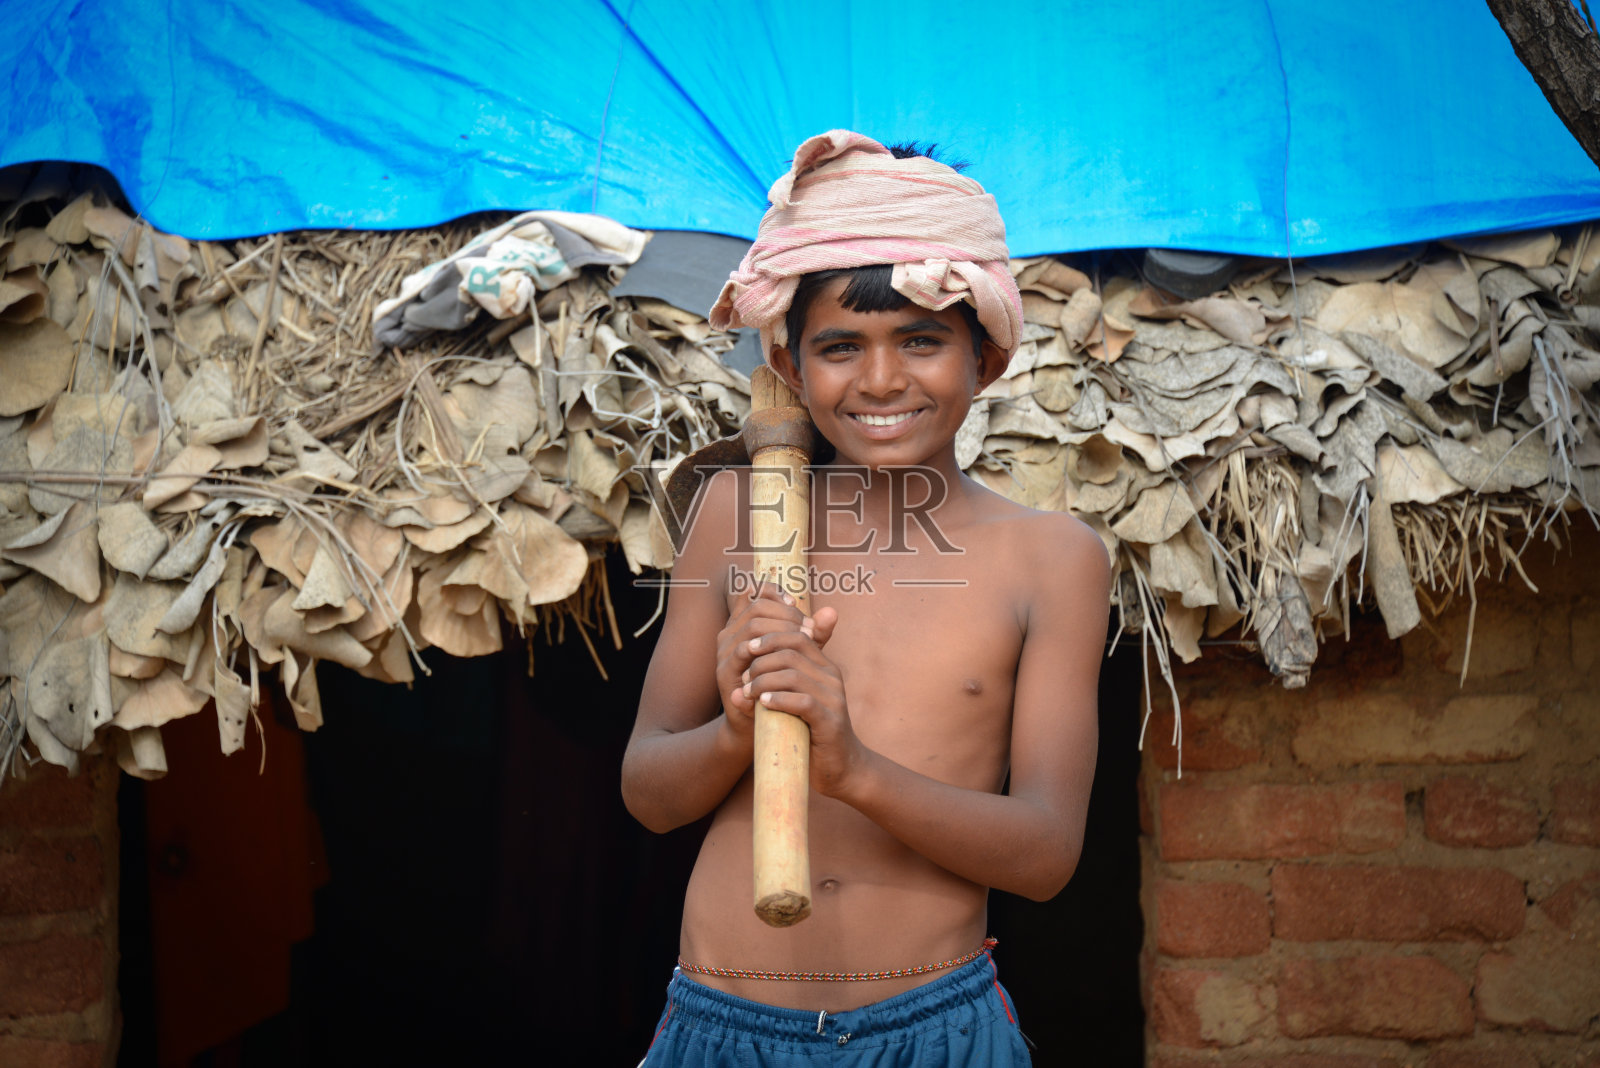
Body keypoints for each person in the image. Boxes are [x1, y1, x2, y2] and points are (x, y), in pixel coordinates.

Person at [622, 130, 1110, 1066]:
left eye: (921, 341)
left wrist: (852, 770)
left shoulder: (1052, 559)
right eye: (841, 347)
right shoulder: (735, 515)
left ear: (986, 357)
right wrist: (735, 731)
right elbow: (647, 794)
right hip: (723, 1023)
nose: (881, 380)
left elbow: (1047, 855)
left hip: (933, 1027)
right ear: (792, 368)